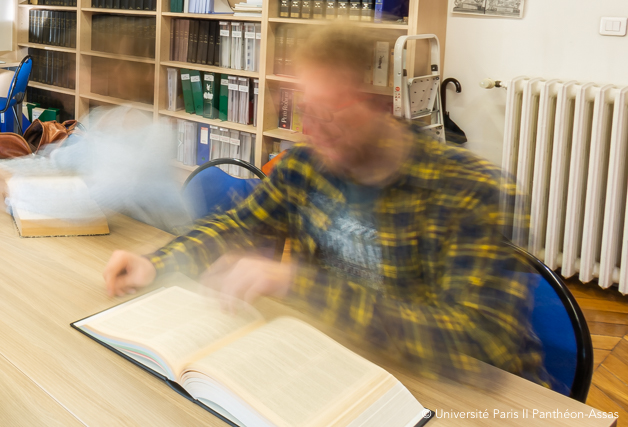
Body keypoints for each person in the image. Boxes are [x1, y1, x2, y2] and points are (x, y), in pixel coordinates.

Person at [102, 24, 547, 385]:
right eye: (305, 111)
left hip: (455, 395)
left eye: (327, 113)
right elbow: (236, 226)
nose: (311, 131)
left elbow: (475, 343)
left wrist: (300, 284)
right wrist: (156, 263)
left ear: (379, 105)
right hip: (337, 362)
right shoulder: (306, 166)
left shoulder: (470, 190)